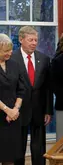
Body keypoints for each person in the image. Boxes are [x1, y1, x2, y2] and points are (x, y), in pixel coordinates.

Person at [10, 26, 53, 165]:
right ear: (21, 39)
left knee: (39, 147)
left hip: (39, 110)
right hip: (19, 110)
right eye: (31, 40)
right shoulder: (12, 59)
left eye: (36, 40)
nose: (34, 43)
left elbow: (48, 87)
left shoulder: (44, 59)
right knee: (18, 147)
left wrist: (48, 110)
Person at [0, 34, 25, 165]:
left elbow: (21, 89)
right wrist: (6, 110)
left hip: (12, 118)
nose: (10, 53)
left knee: (9, 158)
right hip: (2, 115)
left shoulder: (14, 65)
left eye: (10, 49)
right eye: (6, 51)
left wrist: (15, 109)